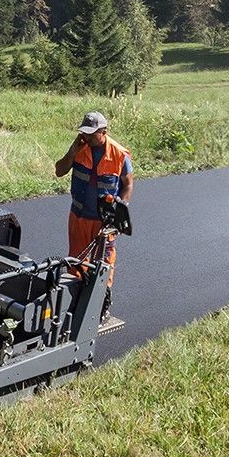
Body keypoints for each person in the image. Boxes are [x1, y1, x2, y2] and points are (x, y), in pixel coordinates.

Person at [53, 111, 133, 321]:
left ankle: (102, 306)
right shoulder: (80, 149)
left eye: (91, 134)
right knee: (76, 263)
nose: (86, 137)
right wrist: (73, 150)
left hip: (103, 221)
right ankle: (74, 305)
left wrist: (119, 211)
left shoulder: (118, 154)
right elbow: (59, 171)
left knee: (103, 264)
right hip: (79, 217)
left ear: (103, 132)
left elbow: (128, 185)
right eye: (84, 133)